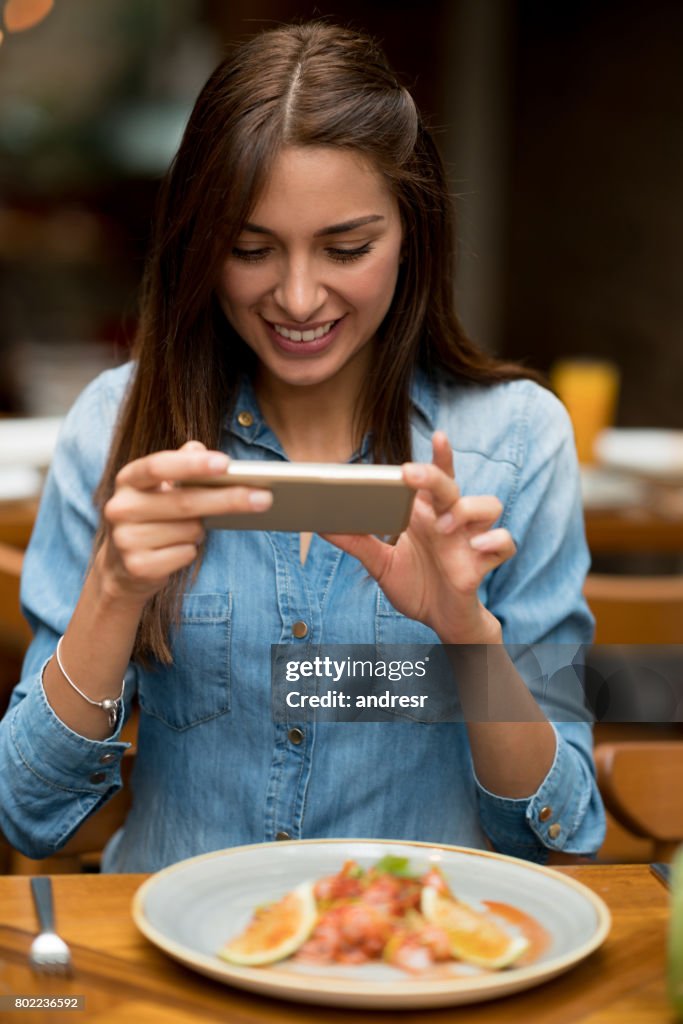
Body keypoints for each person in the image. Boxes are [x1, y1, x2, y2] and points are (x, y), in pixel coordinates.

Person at [0, 21, 604, 871]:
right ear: (199, 248)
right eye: (249, 250)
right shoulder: (118, 427)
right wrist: (111, 592)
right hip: (176, 969)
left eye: (346, 248)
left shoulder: (513, 439)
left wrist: (464, 633)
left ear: (412, 235)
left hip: (412, 965)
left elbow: (558, 826)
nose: (295, 296)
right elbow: (29, 812)